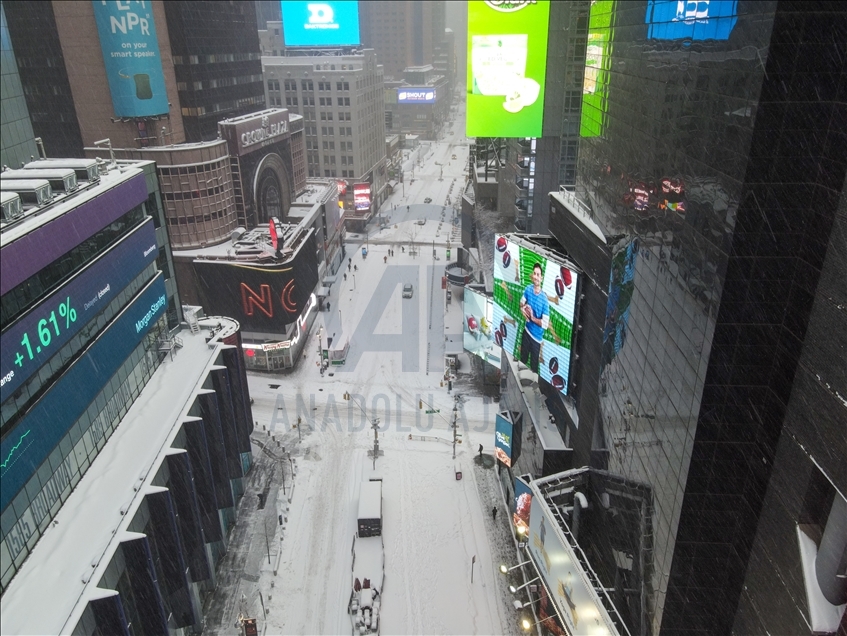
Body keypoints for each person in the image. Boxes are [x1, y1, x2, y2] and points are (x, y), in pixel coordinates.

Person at [519, 262, 549, 374]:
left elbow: (545, 324)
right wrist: (522, 309)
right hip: (526, 332)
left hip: (536, 339)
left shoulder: (544, 300)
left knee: (534, 368)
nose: (536, 277)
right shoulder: (528, 289)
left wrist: (532, 318)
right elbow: (521, 303)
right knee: (523, 359)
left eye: (538, 275)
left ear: (541, 278)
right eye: (534, 274)